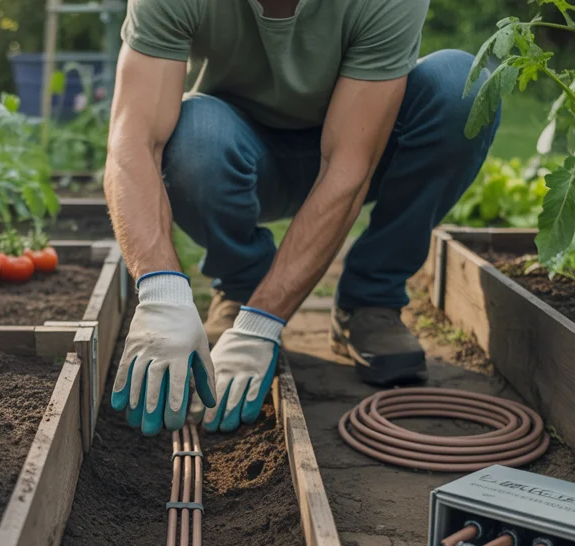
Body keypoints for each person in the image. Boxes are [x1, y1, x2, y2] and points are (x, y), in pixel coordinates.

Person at [106, 0, 500, 436]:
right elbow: (134, 141)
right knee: (195, 139)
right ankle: (242, 290)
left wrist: (264, 323)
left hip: (362, 139)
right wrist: (160, 290)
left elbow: (348, 166)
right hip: (236, 148)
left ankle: (370, 300)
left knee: (462, 85)